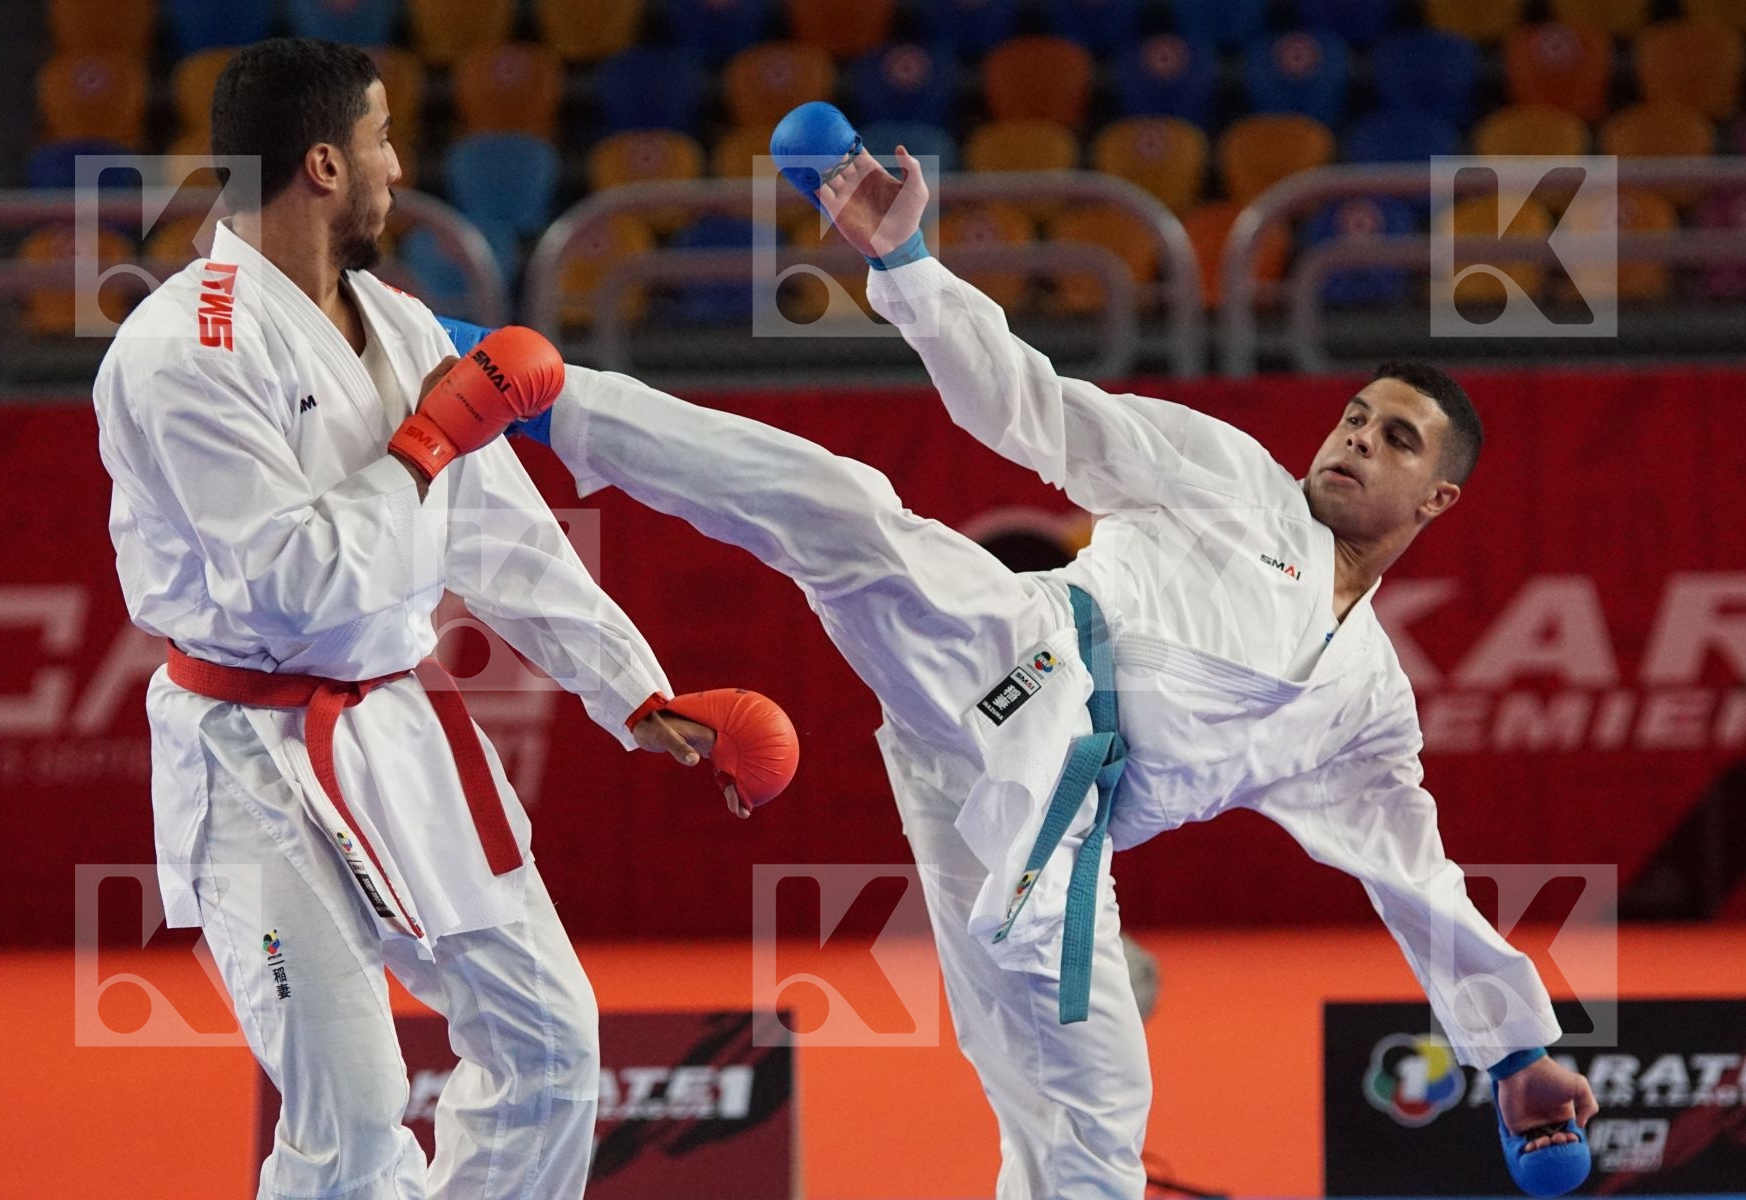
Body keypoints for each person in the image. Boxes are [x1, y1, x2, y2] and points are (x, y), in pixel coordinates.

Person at [475, 106, 1603, 1197]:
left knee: (1094, 1122)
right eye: (1355, 414)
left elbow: (1415, 875)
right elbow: (1029, 406)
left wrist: (1516, 1051)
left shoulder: (1365, 703)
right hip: (1027, 658)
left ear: (1438, 498)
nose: (1356, 437)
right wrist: (907, 264)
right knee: (845, 513)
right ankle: (528, 386)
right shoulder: (1230, 475)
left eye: (1396, 438)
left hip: (1045, 835)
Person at [92, 39, 768, 1200]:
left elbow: (500, 533)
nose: (398, 168)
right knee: (351, 1123)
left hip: (397, 731)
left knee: (550, 1048)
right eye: (381, 140)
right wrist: (421, 449)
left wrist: (632, 689)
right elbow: (288, 583)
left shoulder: (399, 325)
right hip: (250, 756)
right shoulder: (183, 352)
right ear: (323, 166)